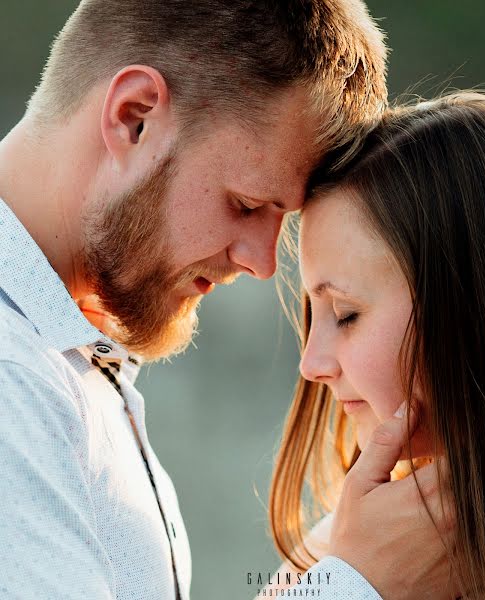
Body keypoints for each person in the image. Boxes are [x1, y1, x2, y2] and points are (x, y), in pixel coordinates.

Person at [0, 1, 458, 599]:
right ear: (133, 117)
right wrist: (354, 584)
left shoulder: (64, 356)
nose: (262, 264)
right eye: (244, 204)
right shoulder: (14, 381)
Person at [270, 91, 485, 599]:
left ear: (478, 307)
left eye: (346, 314)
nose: (311, 364)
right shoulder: (330, 560)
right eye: (314, 314)